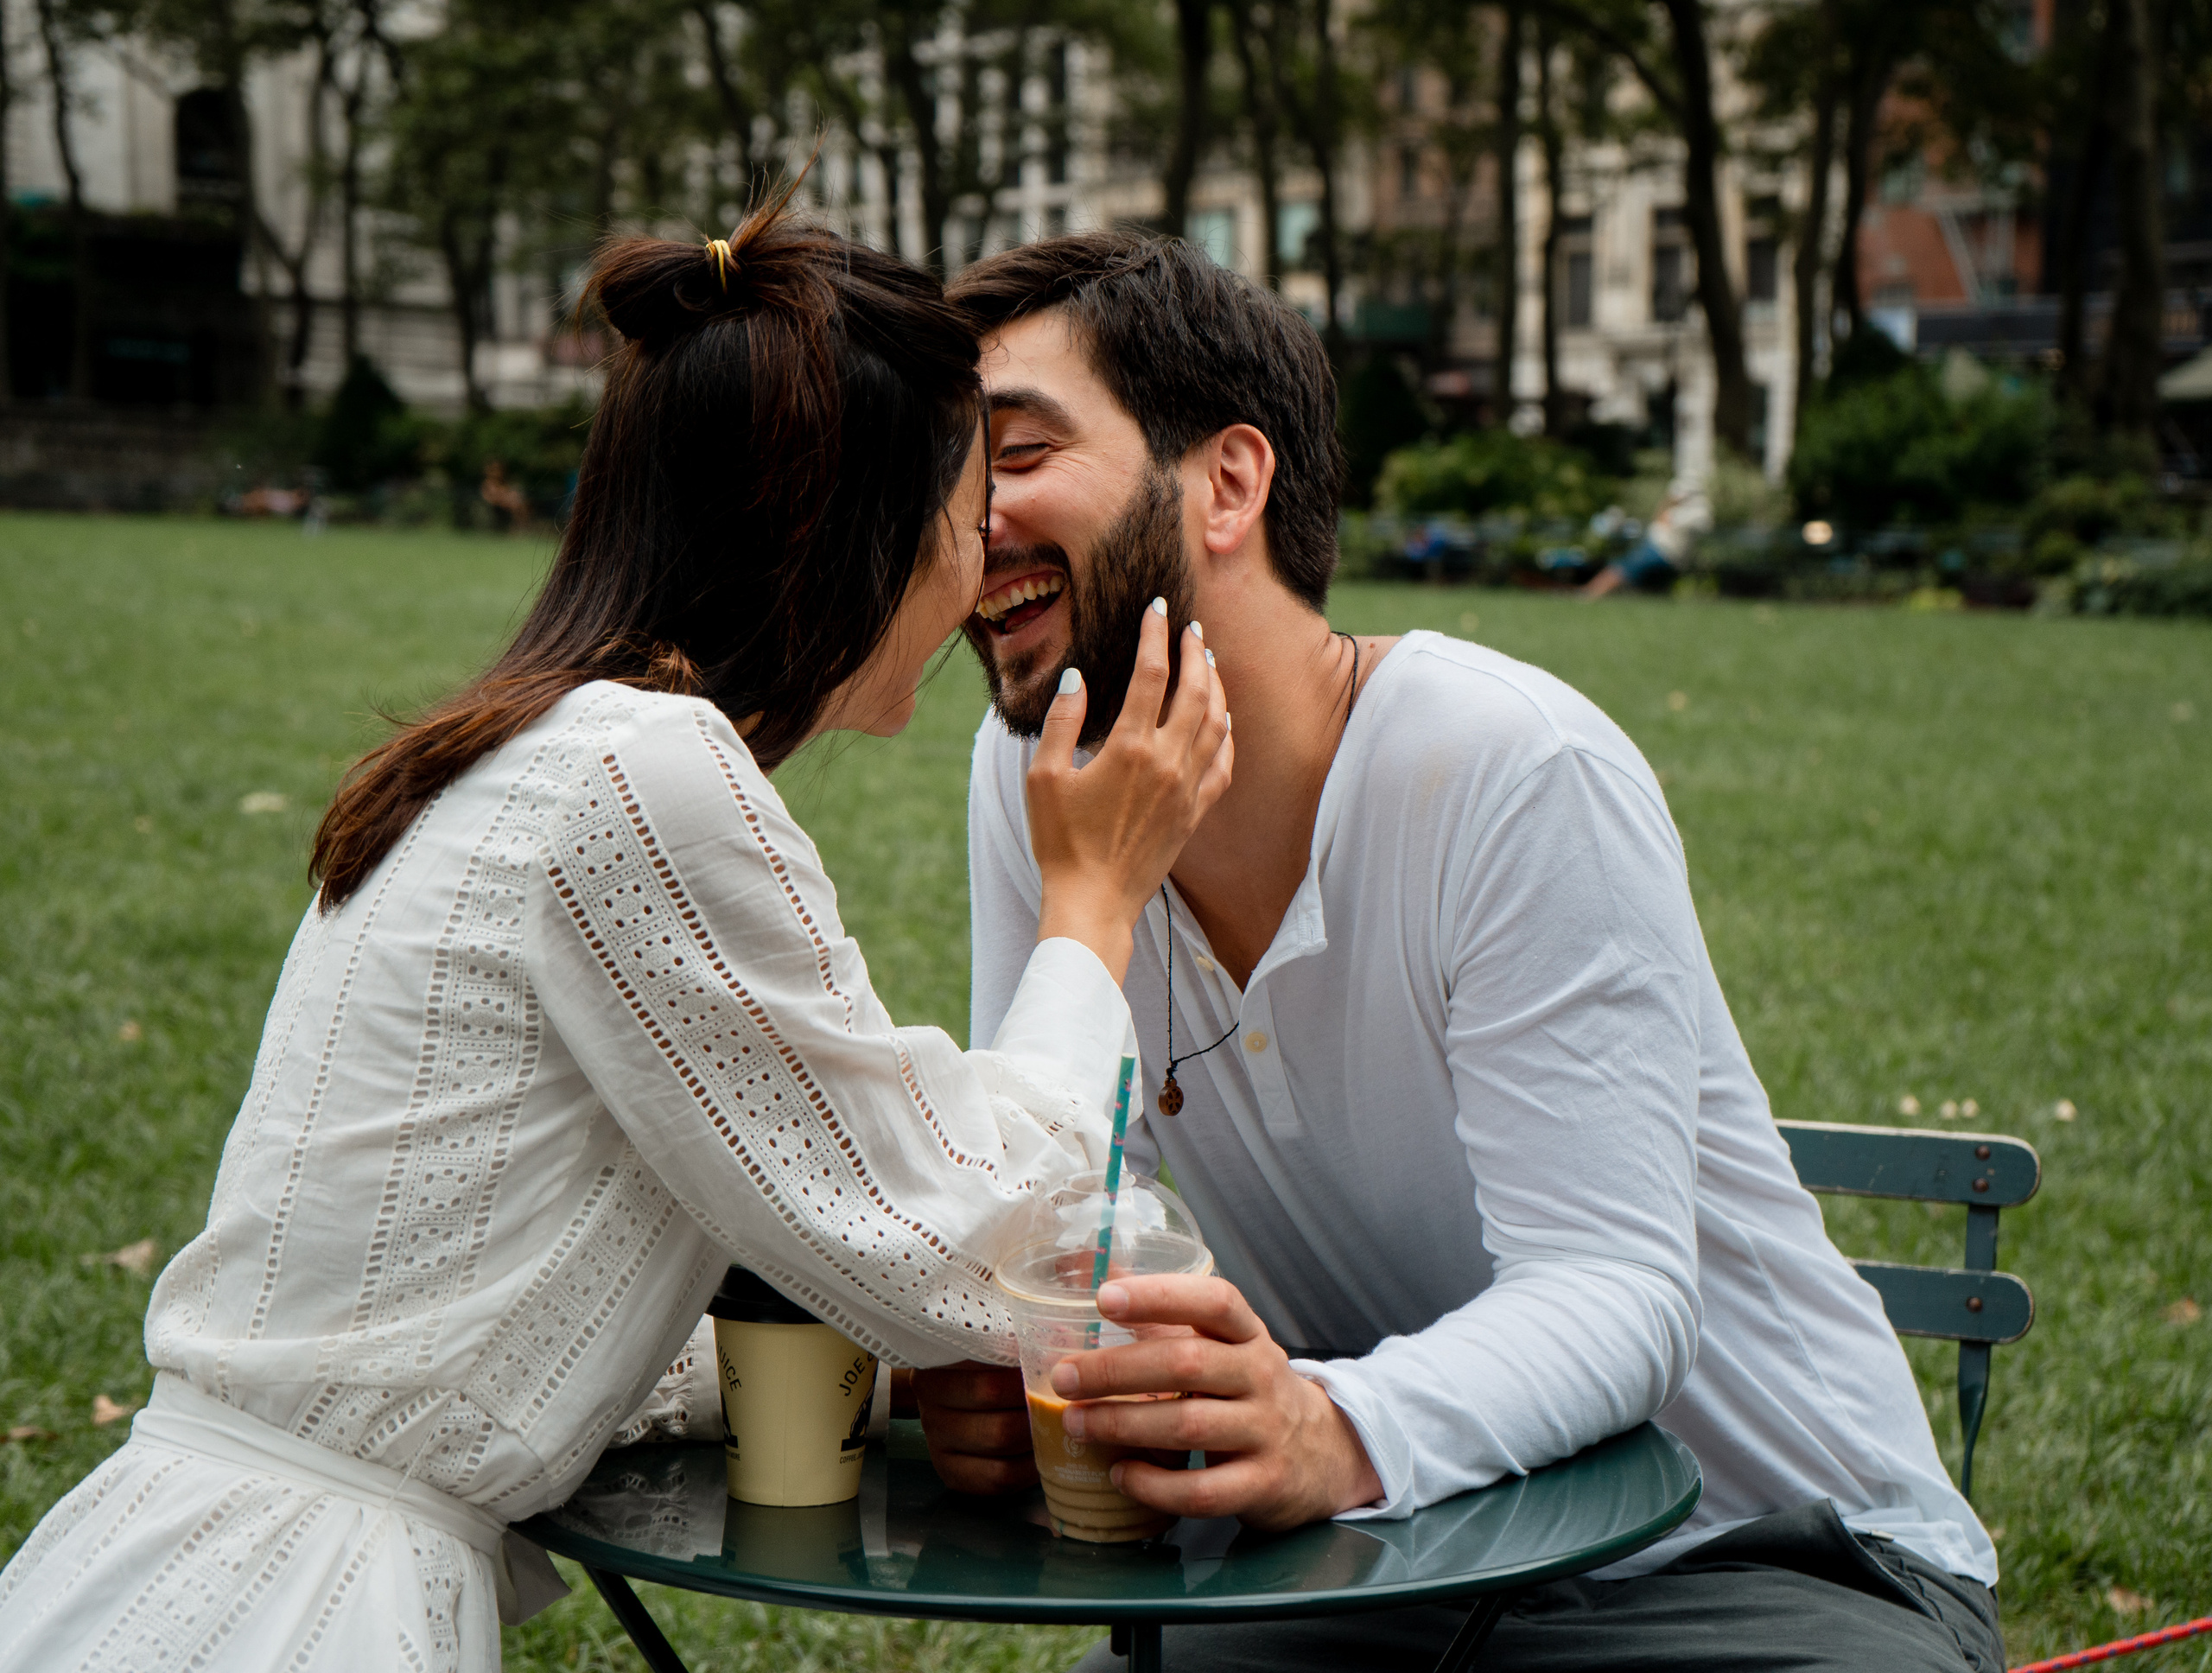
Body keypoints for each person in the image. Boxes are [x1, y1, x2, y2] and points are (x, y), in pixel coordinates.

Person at [0, 205, 1230, 1671]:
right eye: (969, 519)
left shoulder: (520, 751)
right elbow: (983, 1239)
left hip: (199, 1568)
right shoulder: (646, 781)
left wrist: (855, 1375)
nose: (975, 579)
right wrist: (1094, 903)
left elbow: (468, 1320)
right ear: (841, 533)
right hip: (295, 1612)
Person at [920, 231, 2004, 1673]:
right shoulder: (1036, 783)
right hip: (1377, 1569)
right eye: (953, 482)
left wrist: (1330, 1424)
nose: (964, 523)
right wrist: (1009, 1361)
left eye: (1017, 456)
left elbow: (1619, 1294)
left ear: (1228, 483)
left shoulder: (1506, 767)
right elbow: (1056, 1222)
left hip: (1755, 1562)